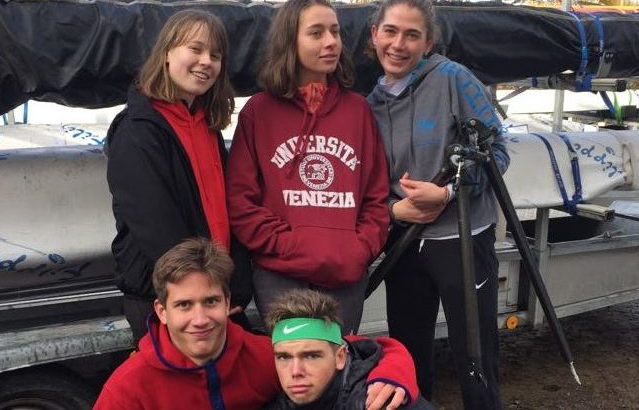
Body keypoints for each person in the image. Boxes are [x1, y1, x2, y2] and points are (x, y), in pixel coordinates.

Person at [365, 0, 510, 408]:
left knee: (475, 355)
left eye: (412, 35)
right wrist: (393, 211)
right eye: (390, 31)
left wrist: (447, 193)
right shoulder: (369, 104)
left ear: (428, 42)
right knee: (407, 355)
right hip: (404, 242)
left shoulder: (454, 79)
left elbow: (498, 152)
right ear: (374, 34)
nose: (398, 44)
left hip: (462, 237)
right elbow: (366, 184)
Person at [93, 238, 420, 410]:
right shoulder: (129, 388)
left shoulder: (266, 355)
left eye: (210, 301)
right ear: (162, 311)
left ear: (228, 302)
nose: (200, 319)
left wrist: (394, 374)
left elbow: (365, 351)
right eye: (184, 305)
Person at [225, 0, 390, 334]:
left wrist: (357, 249)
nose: (330, 42)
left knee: (339, 360)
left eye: (335, 32)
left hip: (344, 275)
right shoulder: (258, 112)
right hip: (281, 275)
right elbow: (241, 202)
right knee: (294, 364)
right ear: (290, 41)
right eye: (316, 33)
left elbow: (376, 197)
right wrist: (289, 245)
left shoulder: (357, 110)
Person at [105, 10, 251, 343]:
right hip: (170, 298)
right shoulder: (137, 129)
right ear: (167, 53)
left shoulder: (207, 125)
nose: (206, 61)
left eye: (215, 55)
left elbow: (227, 207)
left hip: (214, 292)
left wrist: (237, 282)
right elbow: (155, 224)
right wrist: (203, 292)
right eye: (195, 49)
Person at [263, 289, 435, 409]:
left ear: (340, 357)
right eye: (284, 357)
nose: (295, 371)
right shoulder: (277, 403)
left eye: (311, 356)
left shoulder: (381, 400)